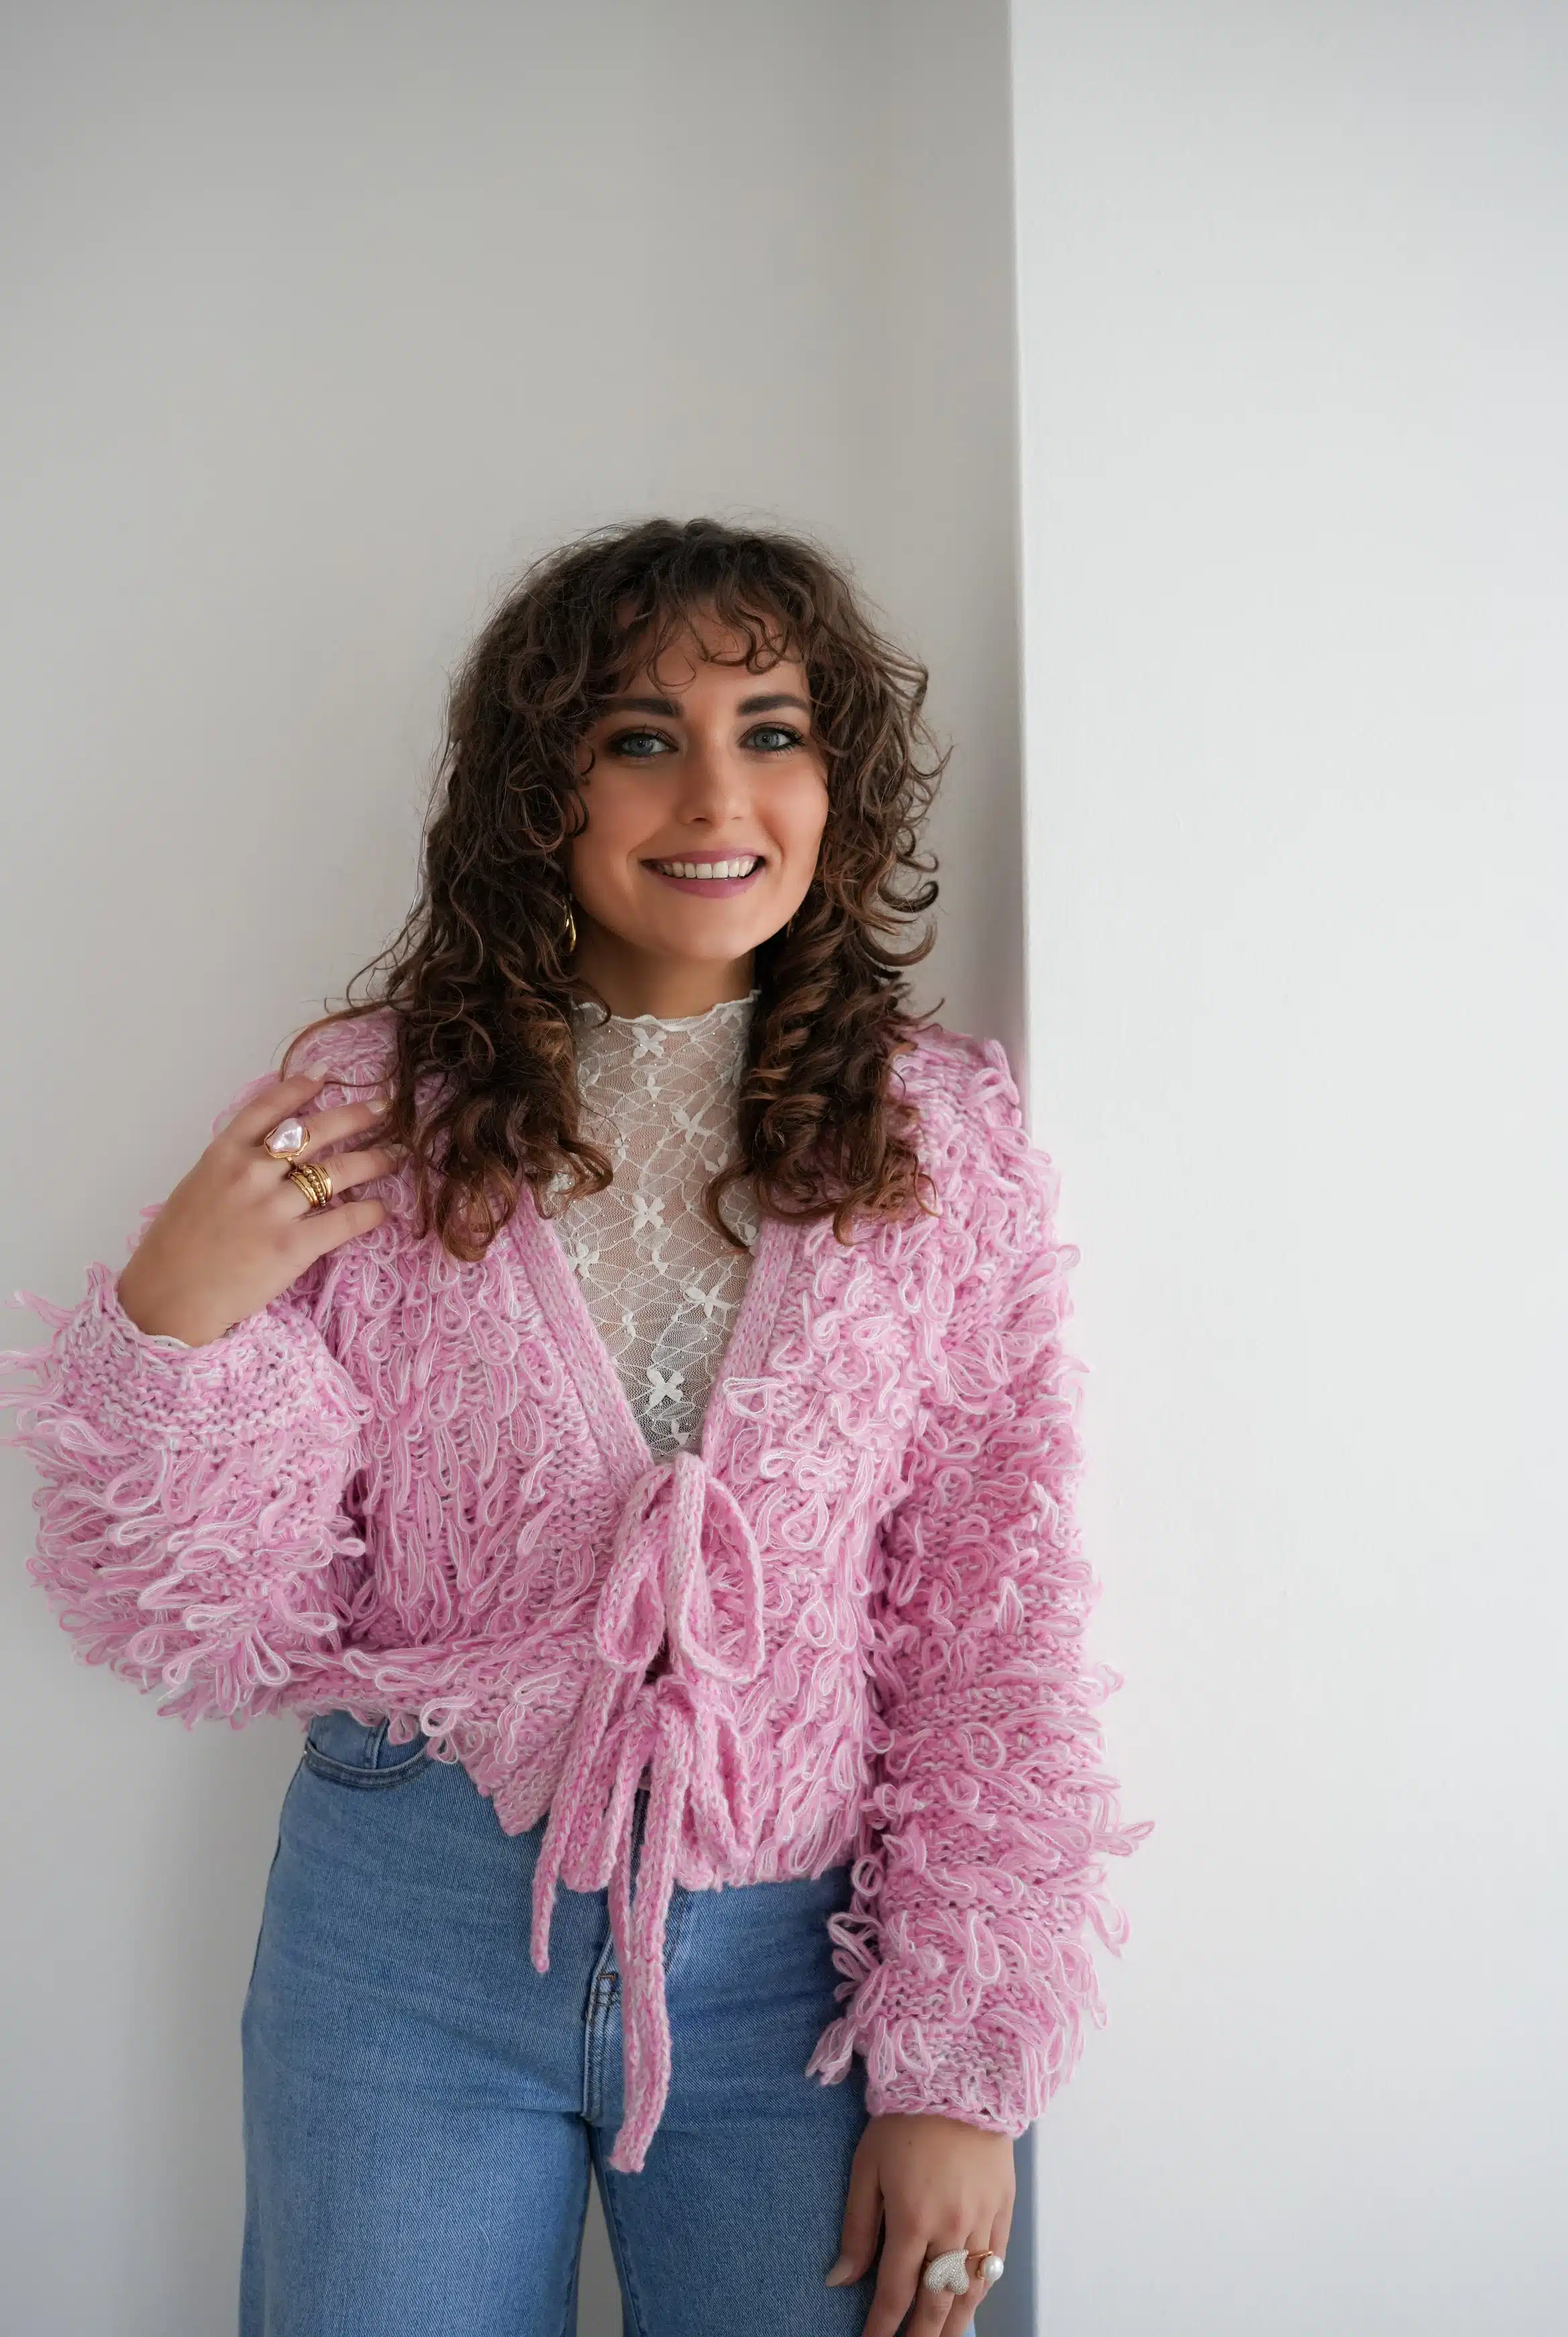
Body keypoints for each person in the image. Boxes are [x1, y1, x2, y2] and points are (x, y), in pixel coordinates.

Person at [1, 517, 1148, 2337]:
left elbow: (995, 1621)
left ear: (837, 783)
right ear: (543, 789)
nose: (717, 794)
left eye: (773, 732)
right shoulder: (375, 1114)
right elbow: (204, 1628)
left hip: (802, 1972)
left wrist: (960, 2064)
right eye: (640, 737)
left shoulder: (937, 1145)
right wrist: (175, 1319)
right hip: (407, 1942)